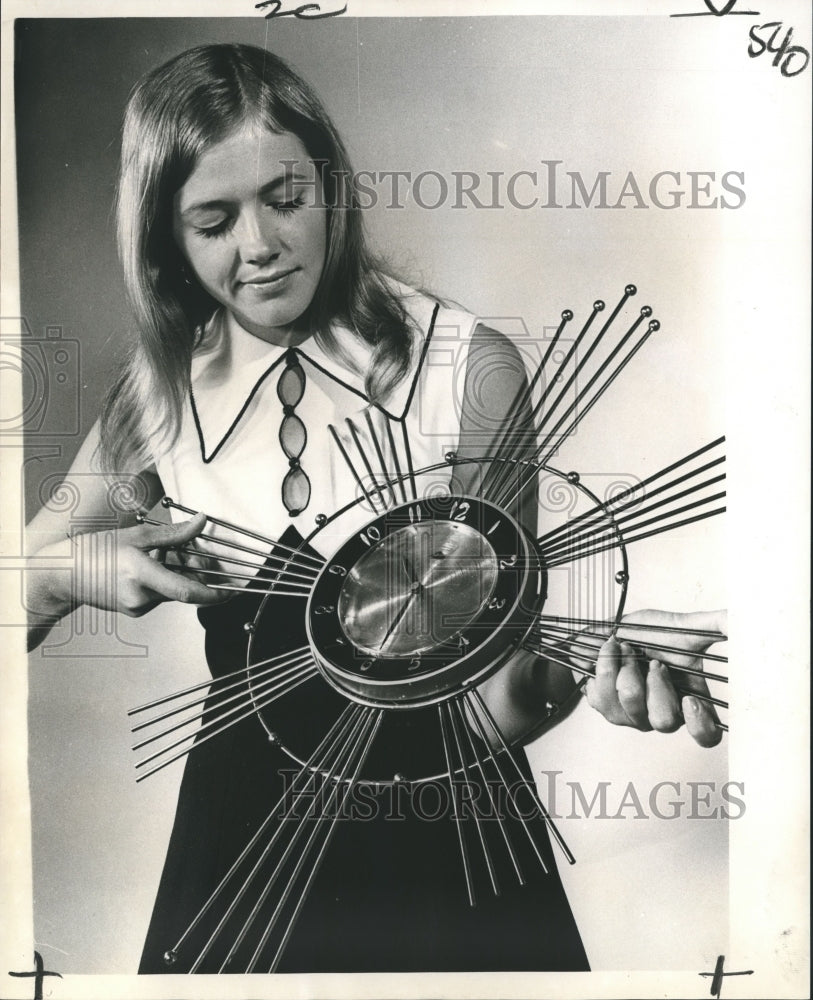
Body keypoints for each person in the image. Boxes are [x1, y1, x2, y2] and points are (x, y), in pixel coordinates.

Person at [24, 42, 725, 974]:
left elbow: (496, 701)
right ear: (164, 237)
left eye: (285, 199)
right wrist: (74, 573)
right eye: (212, 221)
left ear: (334, 189)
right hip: (235, 851)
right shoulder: (152, 399)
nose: (260, 245)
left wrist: (585, 679)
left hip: (450, 838)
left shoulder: (468, 367)